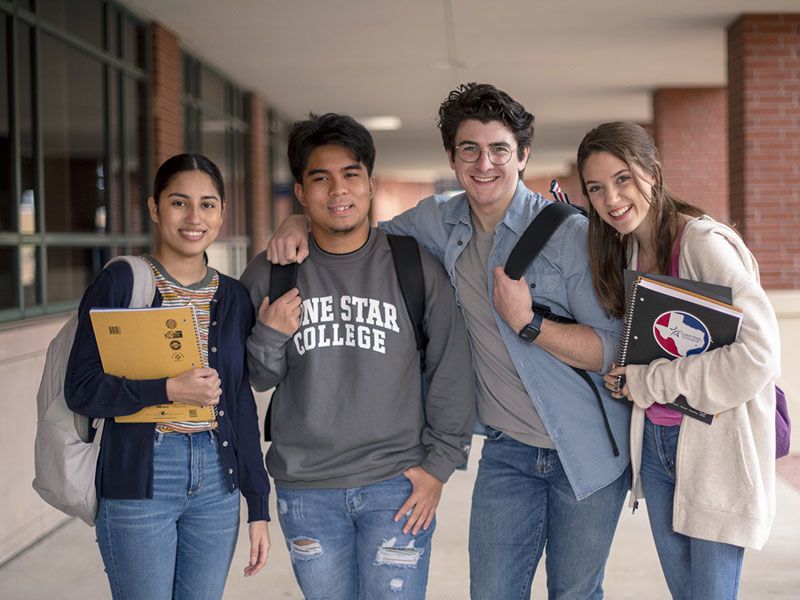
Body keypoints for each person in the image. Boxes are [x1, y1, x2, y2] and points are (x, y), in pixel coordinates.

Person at [267, 85, 630, 599]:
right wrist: (297, 218)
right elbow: (349, 226)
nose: (485, 163)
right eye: (470, 149)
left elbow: (616, 349)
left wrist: (530, 324)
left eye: (500, 149)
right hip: (507, 452)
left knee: (574, 593)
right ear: (453, 158)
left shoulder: (570, 235)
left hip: (587, 451)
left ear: (522, 155)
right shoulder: (434, 221)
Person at [241, 113, 475, 600]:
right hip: (307, 488)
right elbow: (256, 378)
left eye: (350, 174)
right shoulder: (274, 270)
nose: (338, 190)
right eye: (320, 178)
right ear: (301, 194)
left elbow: (452, 368)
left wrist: (439, 468)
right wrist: (267, 334)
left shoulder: (414, 265)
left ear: (370, 183)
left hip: (397, 485)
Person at [577, 121, 780, 599]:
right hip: (658, 448)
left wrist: (648, 382)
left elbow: (759, 352)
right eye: (596, 188)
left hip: (713, 448)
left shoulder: (701, 242)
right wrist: (629, 380)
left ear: (653, 171)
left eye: (623, 178)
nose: (612, 199)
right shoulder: (628, 250)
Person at [65, 154, 271, 600]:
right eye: (179, 203)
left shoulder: (233, 297)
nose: (194, 218)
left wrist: (258, 504)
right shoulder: (122, 282)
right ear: (155, 208)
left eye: (208, 204)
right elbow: (81, 389)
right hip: (142, 475)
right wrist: (166, 389)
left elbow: (239, 405)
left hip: (217, 480)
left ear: (222, 212)